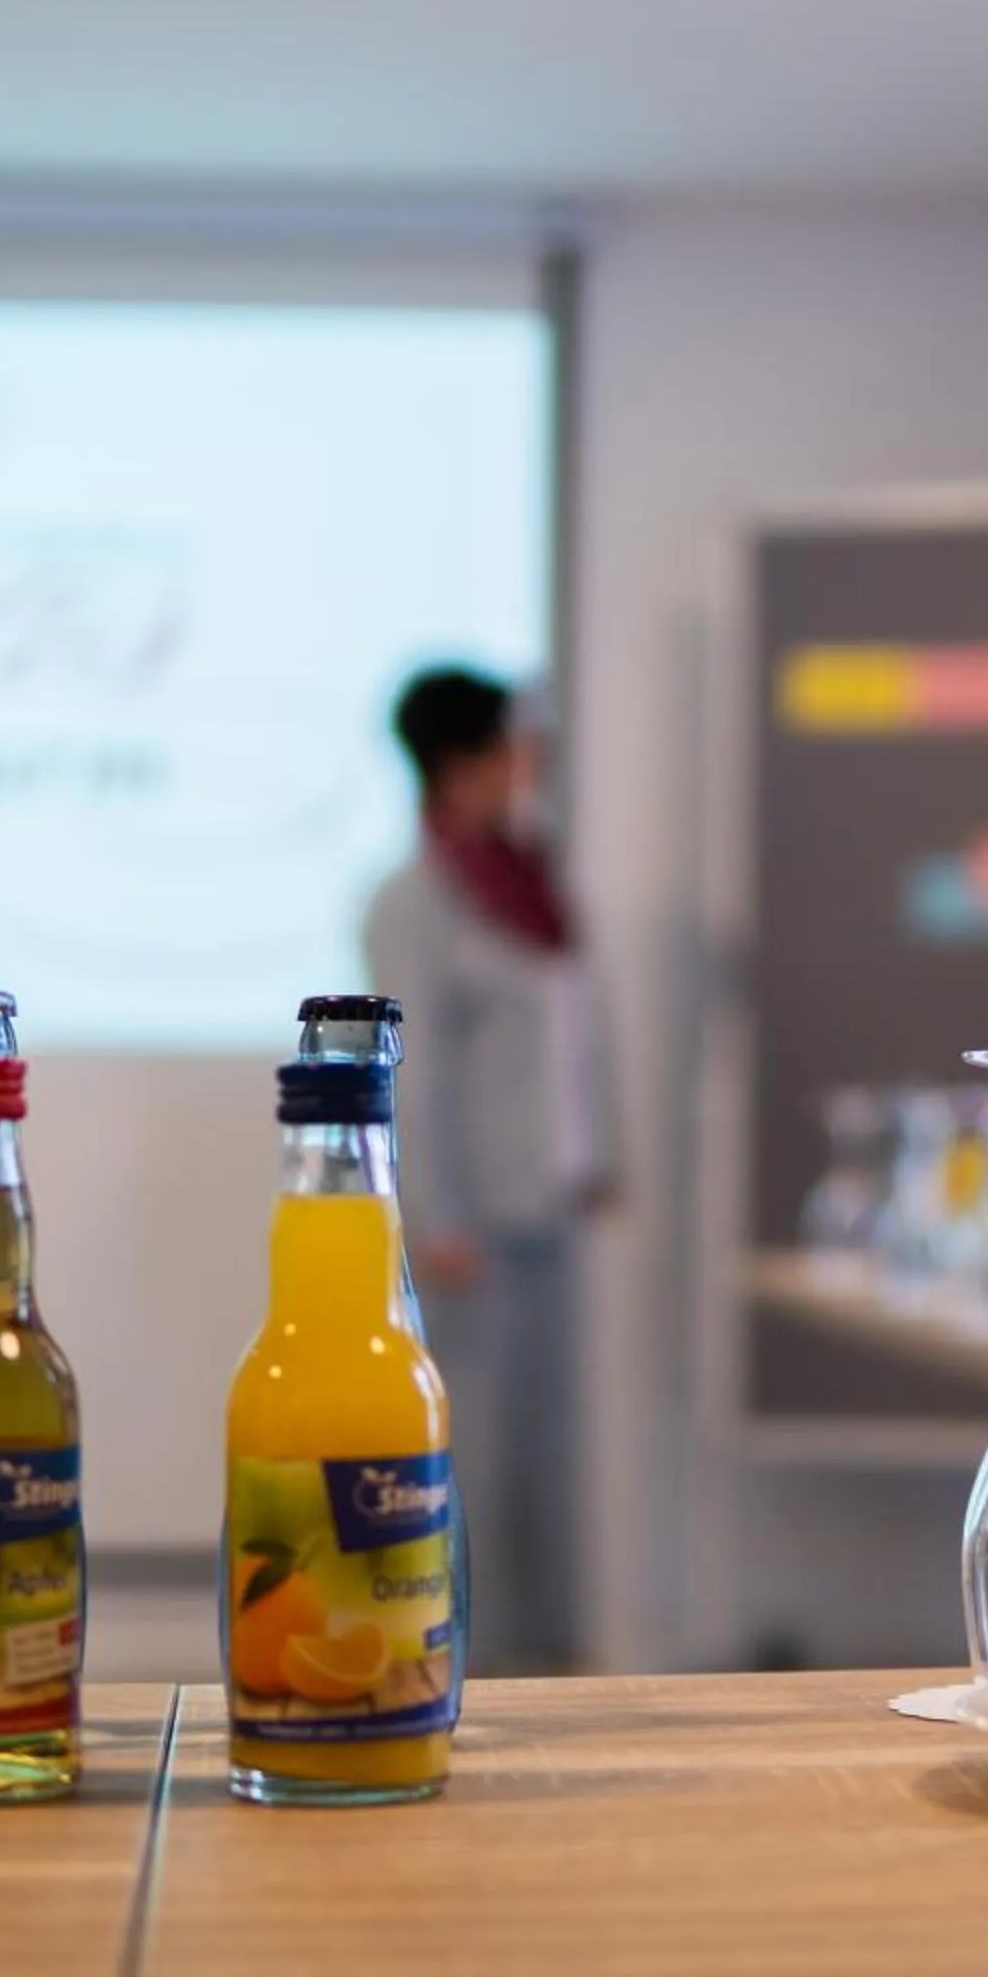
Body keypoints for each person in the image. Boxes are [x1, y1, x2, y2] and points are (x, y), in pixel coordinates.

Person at [364, 665, 616, 1672]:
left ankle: (556, 1662)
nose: (534, 763)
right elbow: (409, 1069)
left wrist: (602, 1150)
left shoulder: (536, 882)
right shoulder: (412, 898)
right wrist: (436, 1214)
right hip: (473, 1228)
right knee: (474, 1460)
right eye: (516, 744)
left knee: (551, 1457)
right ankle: (474, 1663)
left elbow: (575, 1032)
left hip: (548, 1206)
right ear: (466, 760)